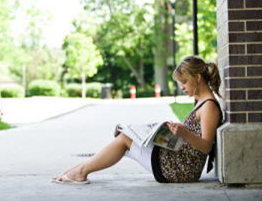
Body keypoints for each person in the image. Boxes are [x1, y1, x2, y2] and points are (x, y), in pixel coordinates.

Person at [51, 55, 222, 184]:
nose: (182, 87)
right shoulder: (201, 102)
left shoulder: (209, 106)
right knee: (126, 136)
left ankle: (80, 171)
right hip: (179, 161)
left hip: (183, 169)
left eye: (184, 82)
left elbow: (206, 146)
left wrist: (184, 133)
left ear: (197, 78)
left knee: (125, 139)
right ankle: (79, 170)